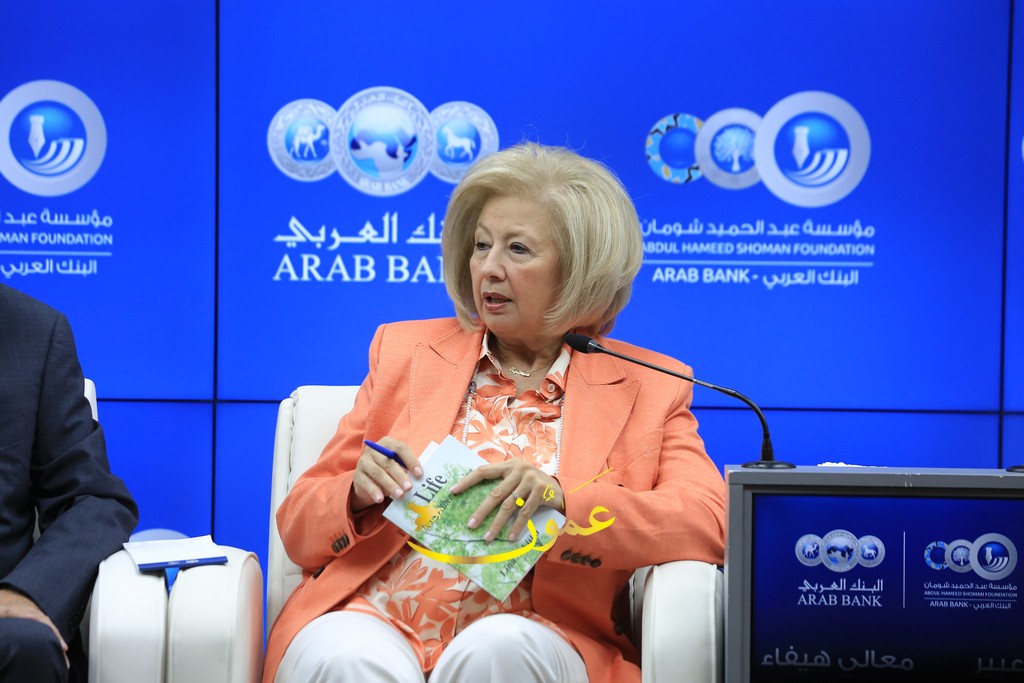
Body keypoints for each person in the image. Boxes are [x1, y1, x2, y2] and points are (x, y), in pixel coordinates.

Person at [266, 143, 725, 683]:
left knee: (500, 649)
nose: (488, 267)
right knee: (348, 658)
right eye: (481, 245)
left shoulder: (648, 386)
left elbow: (709, 521)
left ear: (580, 270)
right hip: (373, 614)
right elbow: (298, 525)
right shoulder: (405, 353)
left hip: (539, 630)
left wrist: (563, 500)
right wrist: (355, 492)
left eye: (518, 249)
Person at [0, 284, 138, 683]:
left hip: (5, 618)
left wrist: (26, 592)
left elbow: (94, 499)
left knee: (26, 643)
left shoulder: (33, 331)